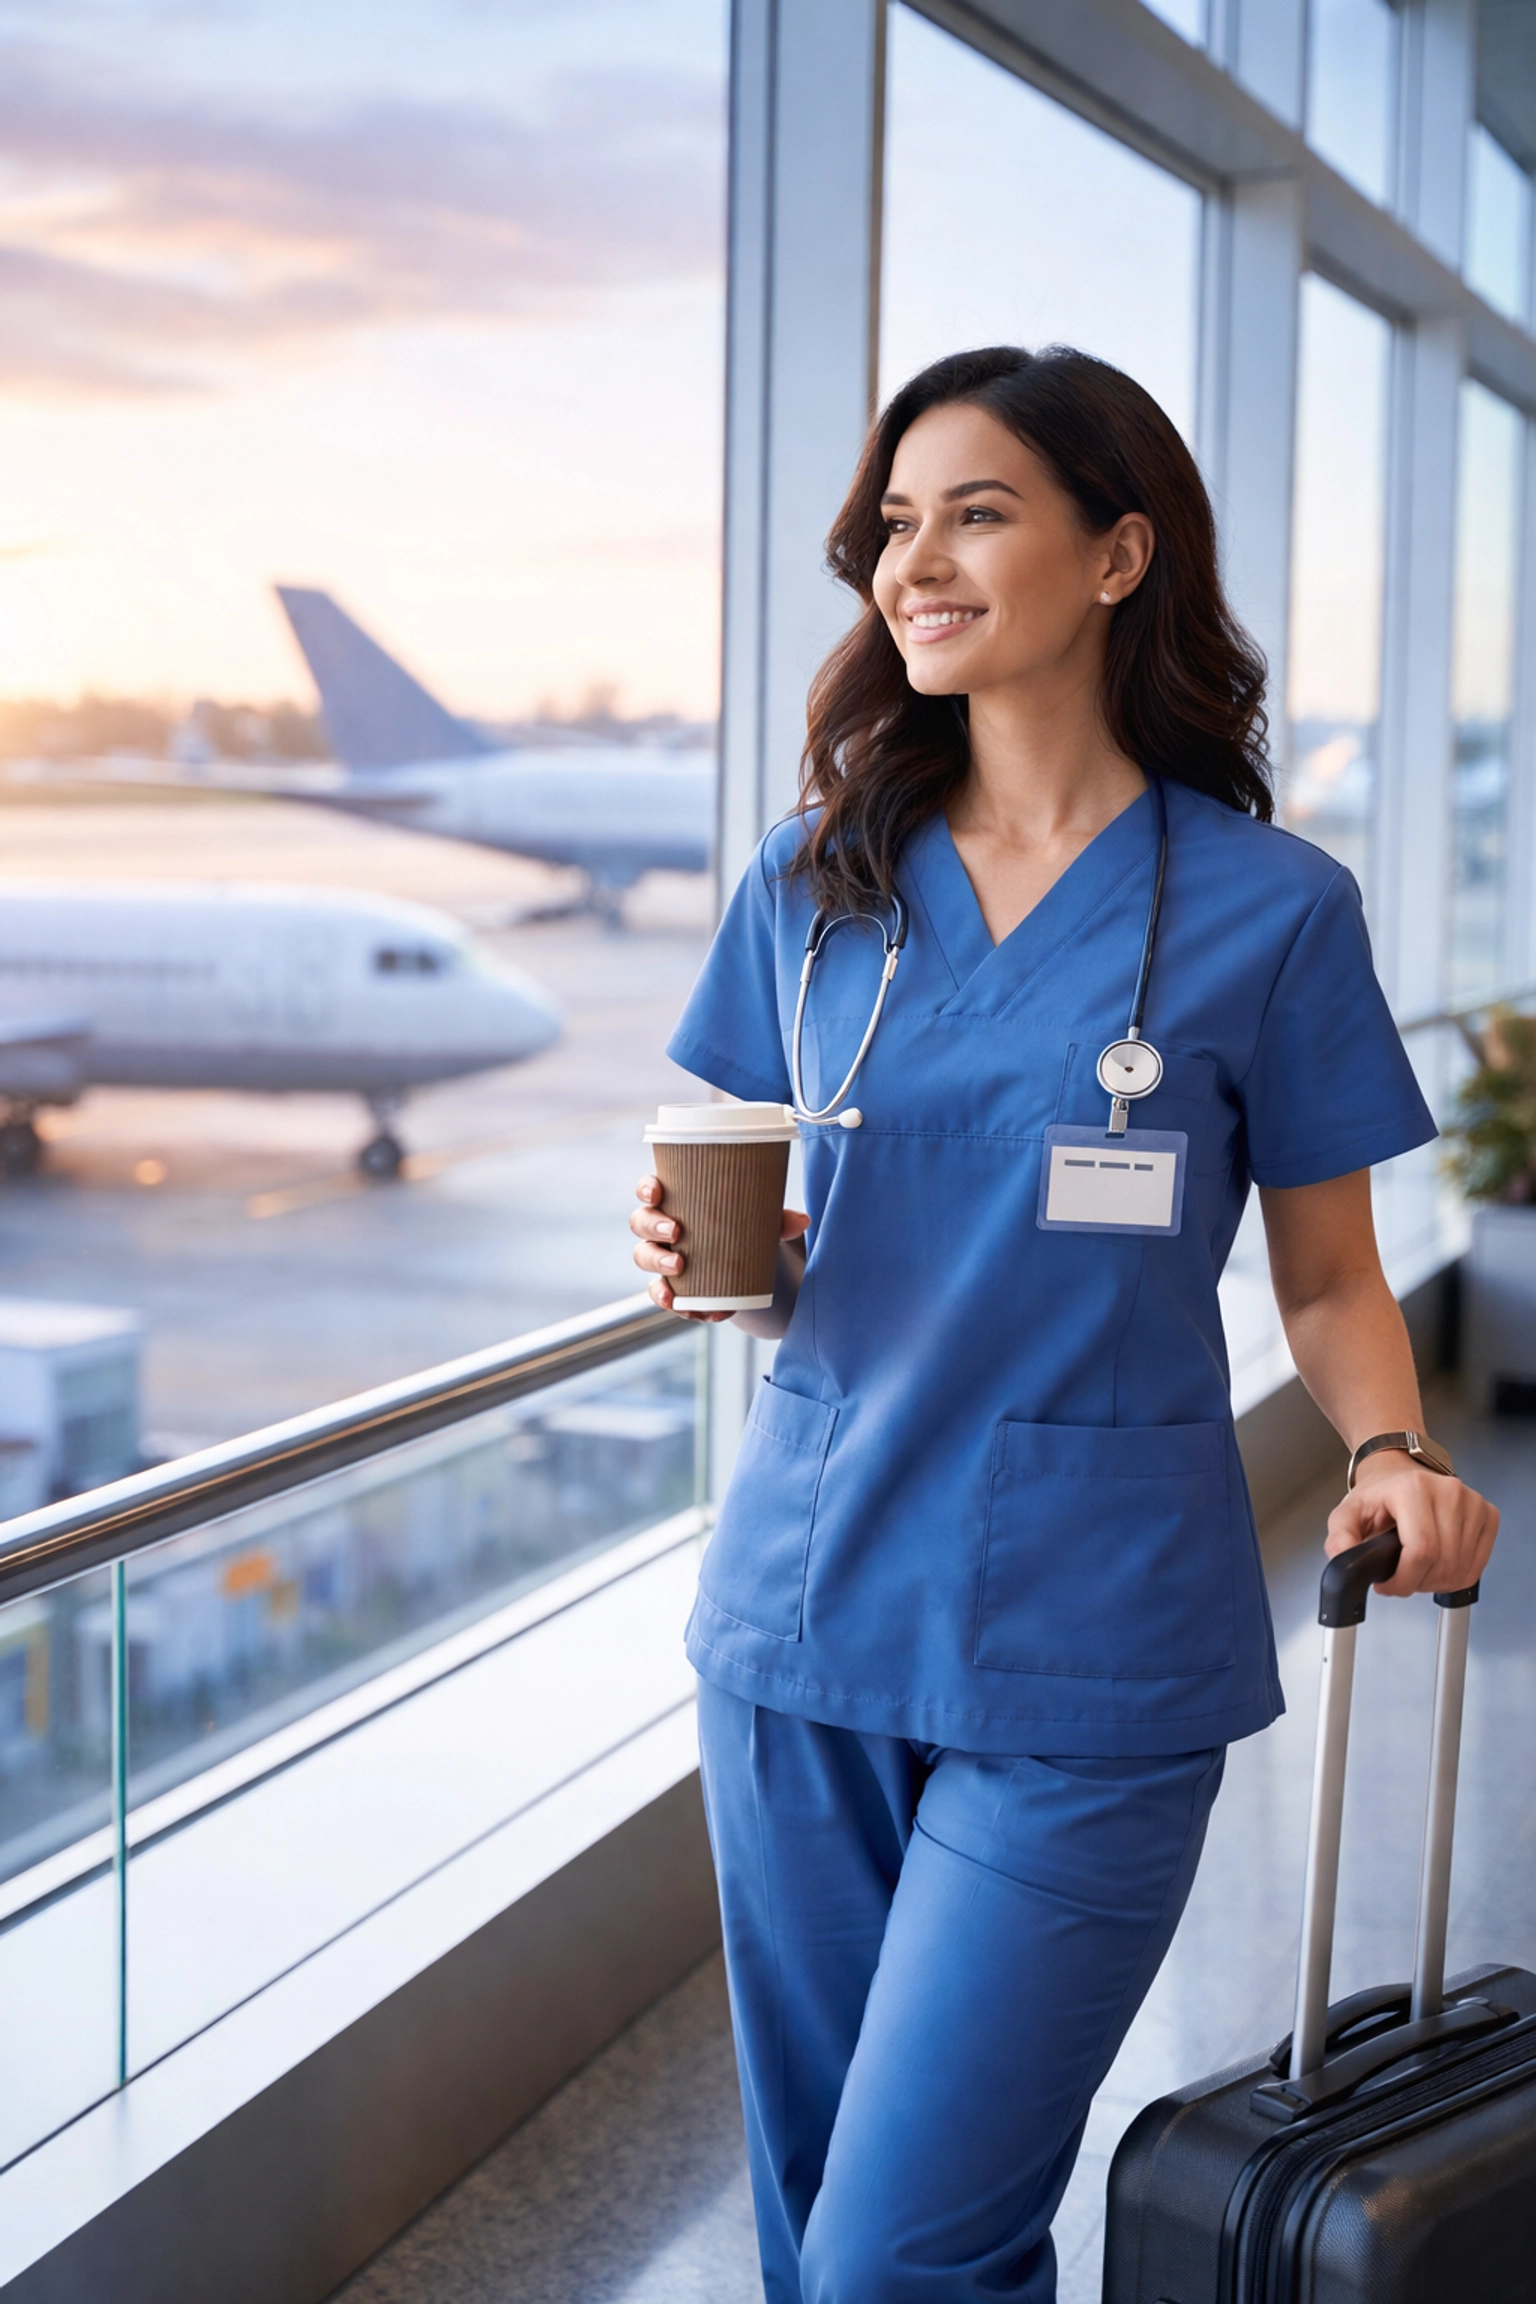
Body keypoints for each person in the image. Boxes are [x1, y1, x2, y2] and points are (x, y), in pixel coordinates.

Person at [630, 345, 1498, 2304]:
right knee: (814, 2221)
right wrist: (689, 1253)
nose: (911, 559)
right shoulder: (816, 883)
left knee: (898, 2260)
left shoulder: (1270, 909)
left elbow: (1333, 1274)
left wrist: (1392, 1448)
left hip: (1093, 1655)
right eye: (893, 523)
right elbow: (743, 1186)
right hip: (798, 1616)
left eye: (977, 511)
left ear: (1121, 555)